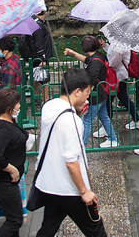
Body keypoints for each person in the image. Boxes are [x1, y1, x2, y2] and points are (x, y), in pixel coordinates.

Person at [35, 69, 107, 237]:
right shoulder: (71, 121)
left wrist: (76, 110)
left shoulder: (50, 106)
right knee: (96, 228)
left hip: (50, 184)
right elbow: (71, 161)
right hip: (70, 189)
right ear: (77, 91)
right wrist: (84, 191)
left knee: (48, 228)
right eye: (87, 92)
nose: (88, 97)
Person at [0, 88, 28, 237]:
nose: (20, 106)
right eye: (17, 103)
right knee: (15, 221)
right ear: (9, 107)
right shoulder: (2, 129)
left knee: (12, 219)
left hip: (5, 182)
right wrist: (11, 169)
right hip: (3, 183)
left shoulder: (6, 121)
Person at [64, 36, 118, 148]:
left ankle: (81, 145)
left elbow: (90, 80)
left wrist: (84, 97)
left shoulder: (95, 63)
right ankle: (113, 139)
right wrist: (73, 54)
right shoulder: (98, 56)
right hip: (103, 93)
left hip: (96, 95)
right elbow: (86, 59)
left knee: (87, 119)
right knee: (104, 117)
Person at [98, 39, 139, 133]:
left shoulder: (118, 45)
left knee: (108, 100)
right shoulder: (120, 43)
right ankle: (137, 119)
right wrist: (105, 46)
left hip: (117, 77)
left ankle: (106, 127)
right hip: (120, 76)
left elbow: (114, 61)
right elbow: (114, 54)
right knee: (123, 98)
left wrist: (105, 63)